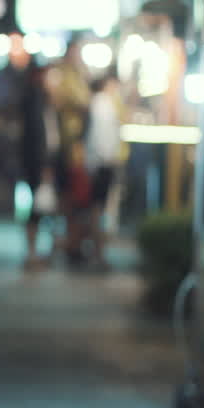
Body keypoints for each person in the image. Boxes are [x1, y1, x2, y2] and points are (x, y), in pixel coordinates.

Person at [19, 62, 58, 270]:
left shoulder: (43, 100)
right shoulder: (35, 99)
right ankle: (32, 253)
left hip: (42, 162)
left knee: (41, 209)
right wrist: (44, 165)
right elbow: (37, 135)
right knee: (37, 209)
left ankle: (39, 252)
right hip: (38, 163)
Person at [83, 75, 122, 268]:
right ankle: (97, 252)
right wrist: (107, 157)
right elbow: (101, 137)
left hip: (100, 162)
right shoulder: (102, 104)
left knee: (97, 209)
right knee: (98, 209)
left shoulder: (100, 103)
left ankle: (97, 251)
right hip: (102, 163)